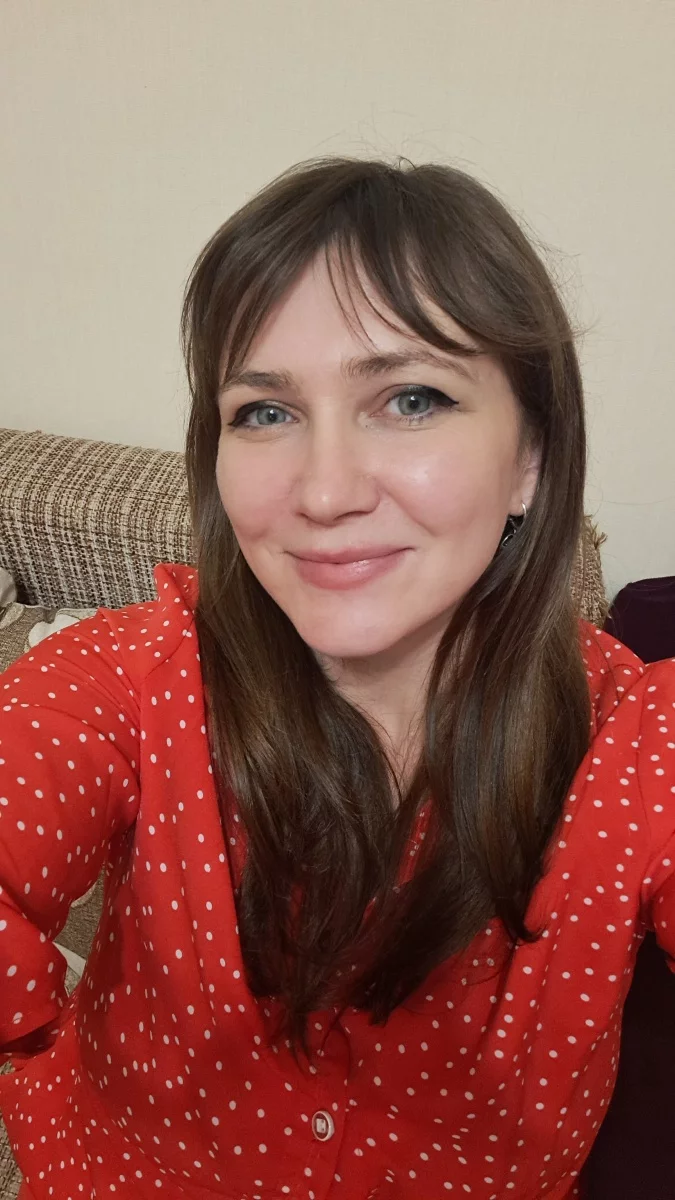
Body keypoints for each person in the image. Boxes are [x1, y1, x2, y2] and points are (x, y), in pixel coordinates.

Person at [0, 156, 673, 1200]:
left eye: (411, 398)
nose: (322, 492)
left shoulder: (635, 740)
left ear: (530, 458)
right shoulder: (126, 678)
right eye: (264, 413)